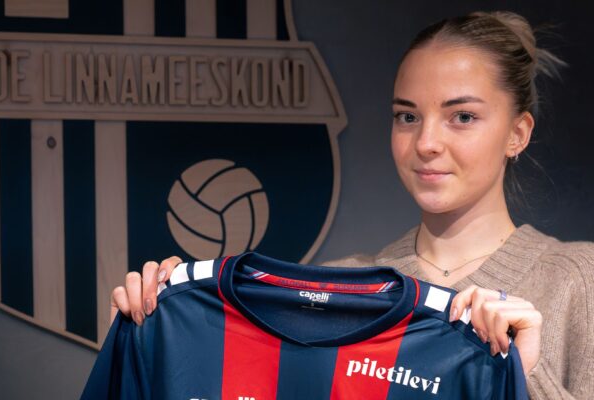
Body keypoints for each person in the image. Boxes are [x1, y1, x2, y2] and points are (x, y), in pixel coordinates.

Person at [109, 11, 594, 399]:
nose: (426, 142)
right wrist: (154, 335)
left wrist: (525, 373)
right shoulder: (335, 287)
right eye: (407, 116)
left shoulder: (580, 280)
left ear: (517, 133)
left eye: (462, 116)